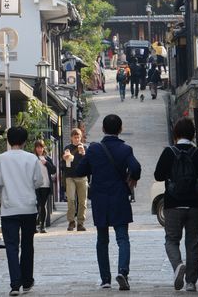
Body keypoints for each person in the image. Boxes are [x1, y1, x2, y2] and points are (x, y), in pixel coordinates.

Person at [75, 114, 142, 291]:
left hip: (100, 199)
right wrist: (132, 178)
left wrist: (85, 158)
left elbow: (81, 170)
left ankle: (105, 279)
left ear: (103, 129)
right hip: (119, 197)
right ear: (120, 129)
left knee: (102, 239)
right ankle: (123, 272)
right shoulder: (125, 149)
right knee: (122, 238)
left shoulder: (94, 149)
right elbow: (135, 167)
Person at [153, 118, 198, 292]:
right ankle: (191, 282)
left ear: (176, 133)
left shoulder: (169, 153)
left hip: (173, 204)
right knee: (192, 243)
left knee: (171, 240)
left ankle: (178, 265)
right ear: (193, 134)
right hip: (195, 205)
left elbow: (158, 175)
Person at [0, 126, 44, 296]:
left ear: (8, 140)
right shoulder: (31, 158)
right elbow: (38, 181)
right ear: (25, 141)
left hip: (9, 209)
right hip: (28, 207)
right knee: (28, 245)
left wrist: (3, 200)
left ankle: (14, 284)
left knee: (12, 246)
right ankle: (27, 281)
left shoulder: (0, 159)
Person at [61, 128, 88, 231]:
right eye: (75, 137)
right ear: (71, 138)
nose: (77, 139)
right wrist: (64, 158)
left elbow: (88, 162)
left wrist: (83, 154)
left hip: (82, 177)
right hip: (70, 177)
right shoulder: (67, 148)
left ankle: (80, 223)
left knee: (82, 201)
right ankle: (71, 221)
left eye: (78, 137)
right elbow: (63, 164)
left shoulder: (84, 148)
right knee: (71, 199)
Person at [33, 139, 56, 233]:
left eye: (41, 147)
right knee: (35, 205)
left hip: (45, 185)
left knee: (43, 205)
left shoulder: (47, 158)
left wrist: (46, 163)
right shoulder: (32, 158)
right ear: (35, 148)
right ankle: (34, 225)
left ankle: (42, 226)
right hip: (35, 185)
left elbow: (53, 170)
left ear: (43, 148)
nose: (39, 149)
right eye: (37, 147)